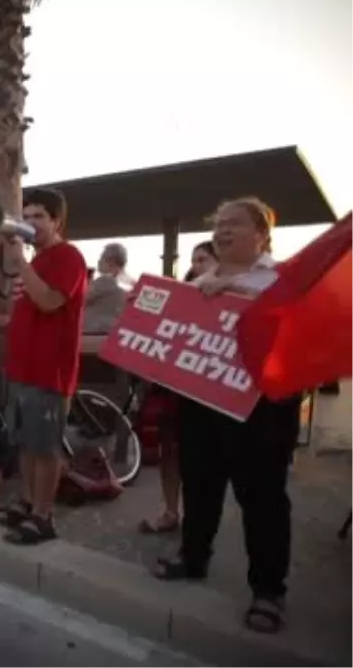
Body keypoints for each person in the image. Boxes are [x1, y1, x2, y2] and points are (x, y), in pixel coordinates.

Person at [152, 198, 298, 635]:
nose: (223, 231)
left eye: (234, 223)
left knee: (263, 500)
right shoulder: (201, 278)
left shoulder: (282, 278)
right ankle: (193, 557)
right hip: (202, 401)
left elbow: (289, 319)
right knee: (200, 484)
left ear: (262, 233)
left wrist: (235, 294)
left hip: (262, 408)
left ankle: (268, 590)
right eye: (218, 225)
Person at [0, 188, 88, 545]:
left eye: (38, 217)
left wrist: (21, 265)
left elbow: (48, 302)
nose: (30, 224)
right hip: (23, 368)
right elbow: (25, 314)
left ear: (57, 220)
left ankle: (44, 517)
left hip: (50, 371)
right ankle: (29, 503)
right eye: (26, 217)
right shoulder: (36, 262)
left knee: (45, 448)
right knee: (26, 444)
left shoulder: (68, 257)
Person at [139, 241, 217, 535]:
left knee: (200, 461)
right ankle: (171, 511)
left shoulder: (232, 298)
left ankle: (199, 522)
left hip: (207, 396)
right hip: (174, 394)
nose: (198, 265)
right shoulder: (178, 295)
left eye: (205, 259)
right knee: (169, 454)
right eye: (195, 260)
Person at [82, 242, 134, 334]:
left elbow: (81, 298)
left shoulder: (105, 280)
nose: (99, 261)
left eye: (102, 257)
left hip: (93, 332)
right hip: (113, 332)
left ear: (111, 261)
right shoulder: (129, 284)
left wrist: (84, 280)